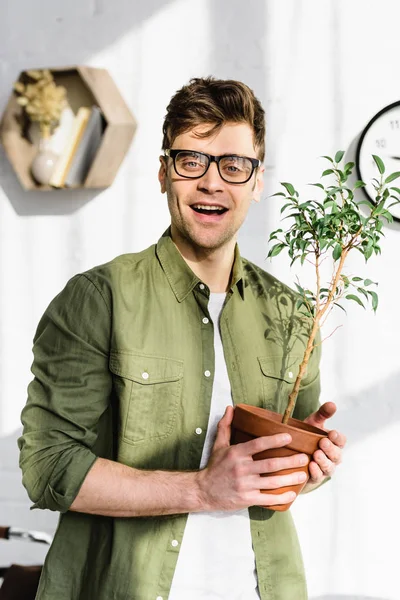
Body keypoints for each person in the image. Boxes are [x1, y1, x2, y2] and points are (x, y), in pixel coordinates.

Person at [18, 77, 346, 600]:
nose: (212, 182)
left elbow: (280, 481)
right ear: (164, 173)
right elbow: (47, 466)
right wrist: (201, 489)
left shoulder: (291, 314)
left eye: (234, 165)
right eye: (192, 160)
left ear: (257, 181)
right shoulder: (98, 298)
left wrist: (309, 465)